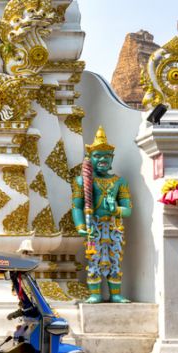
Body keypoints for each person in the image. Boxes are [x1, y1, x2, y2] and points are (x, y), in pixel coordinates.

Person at [72, 126, 133, 304]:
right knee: (94, 260)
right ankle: (95, 294)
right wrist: (81, 227)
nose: (102, 159)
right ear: (90, 158)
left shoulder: (119, 182)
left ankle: (115, 294)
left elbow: (128, 209)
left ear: (112, 158)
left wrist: (116, 210)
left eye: (106, 156)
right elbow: (77, 207)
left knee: (114, 260)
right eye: (97, 155)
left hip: (114, 227)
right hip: (93, 227)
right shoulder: (82, 181)